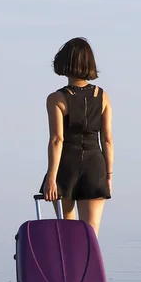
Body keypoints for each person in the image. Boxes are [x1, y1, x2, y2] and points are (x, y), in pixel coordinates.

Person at [39, 37, 114, 238]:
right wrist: (108, 175)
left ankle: (68, 270)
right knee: (90, 236)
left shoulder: (57, 98)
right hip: (95, 167)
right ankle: (89, 270)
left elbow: (57, 139)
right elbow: (107, 139)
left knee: (68, 236)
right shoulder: (103, 96)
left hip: (66, 168)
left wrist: (51, 179)